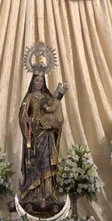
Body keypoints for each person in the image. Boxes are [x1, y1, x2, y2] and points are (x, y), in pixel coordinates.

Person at [18, 74, 67, 213]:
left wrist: (52, 124)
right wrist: (28, 121)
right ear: (33, 81)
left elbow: (55, 111)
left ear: (44, 82)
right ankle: (34, 195)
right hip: (34, 136)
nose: (39, 83)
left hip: (47, 134)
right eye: (37, 80)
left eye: (41, 81)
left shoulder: (47, 98)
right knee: (35, 163)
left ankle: (48, 193)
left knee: (47, 161)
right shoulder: (29, 98)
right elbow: (22, 116)